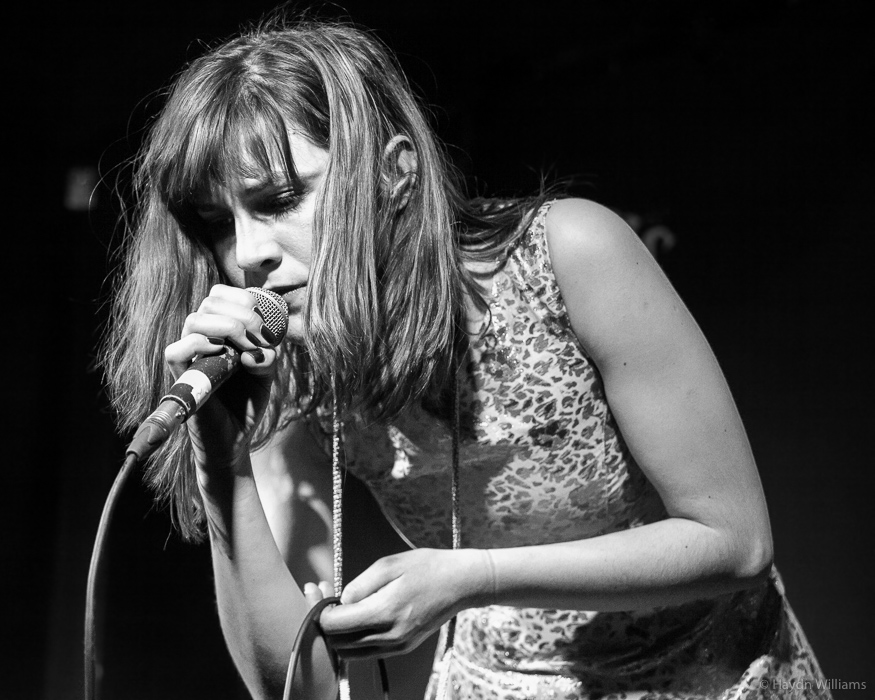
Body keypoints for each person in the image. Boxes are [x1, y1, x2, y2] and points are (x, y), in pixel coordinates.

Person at [102, 16, 830, 700]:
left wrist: (471, 577)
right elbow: (297, 683)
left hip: (717, 674)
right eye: (215, 221)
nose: (248, 252)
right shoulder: (292, 359)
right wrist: (220, 456)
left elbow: (733, 539)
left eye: (280, 199)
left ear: (395, 173)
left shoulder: (567, 253)